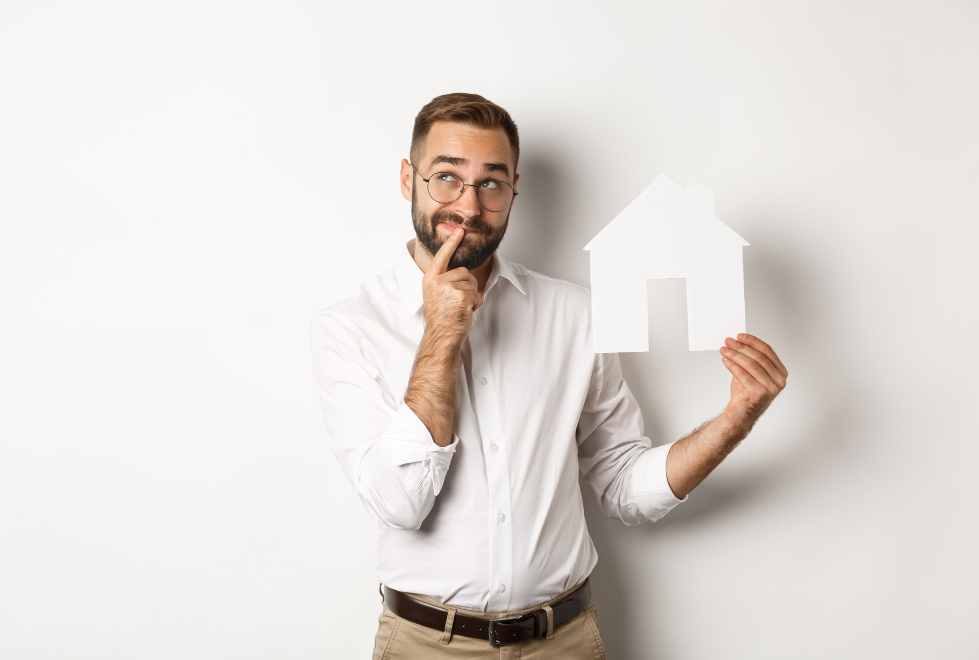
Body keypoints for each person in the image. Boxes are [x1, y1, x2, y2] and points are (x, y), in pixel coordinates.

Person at [309, 93, 788, 659]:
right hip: (426, 646)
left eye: (491, 182)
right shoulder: (349, 328)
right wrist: (441, 331)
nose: (468, 204)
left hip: (562, 643)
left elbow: (623, 486)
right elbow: (400, 505)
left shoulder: (574, 315)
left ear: (515, 189)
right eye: (446, 178)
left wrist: (735, 419)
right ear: (407, 178)